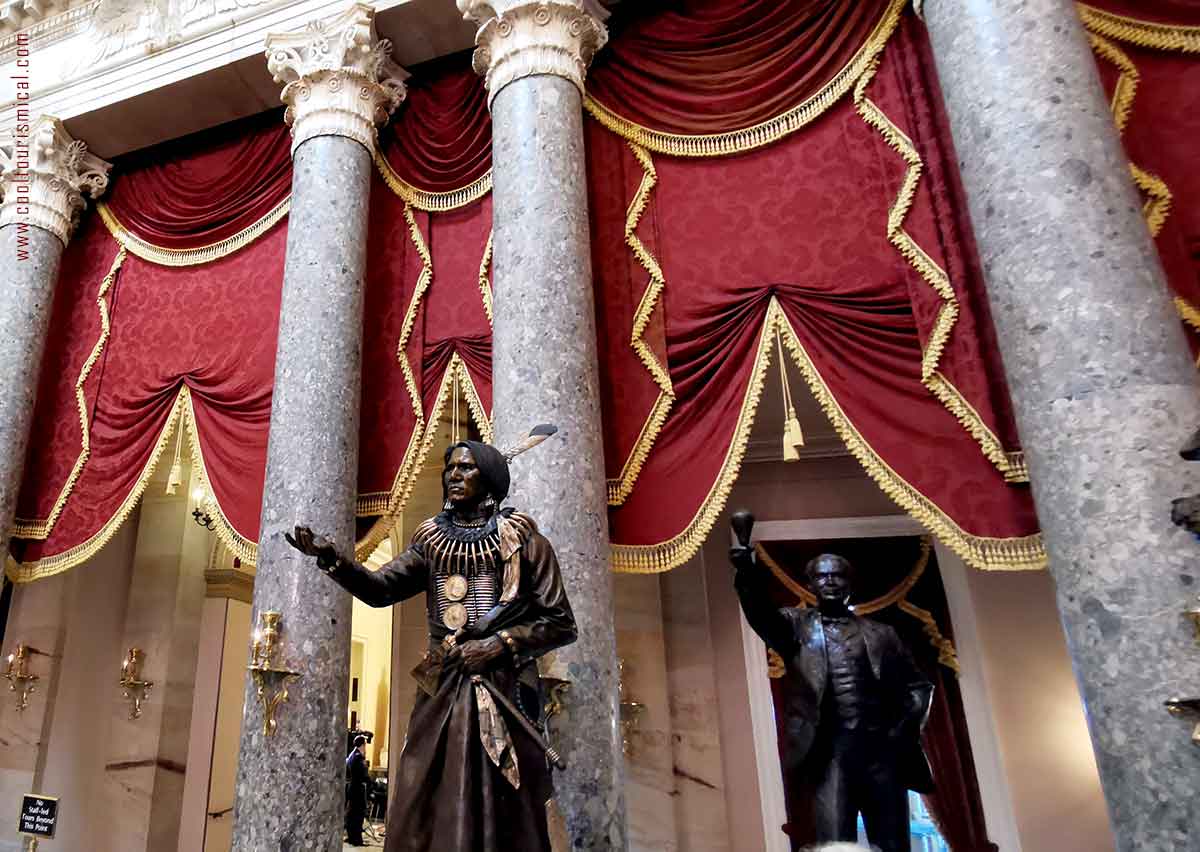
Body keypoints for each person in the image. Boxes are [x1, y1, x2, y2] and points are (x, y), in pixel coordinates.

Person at [287, 432, 577, 852]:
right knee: (425, 786)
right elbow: (379, 589)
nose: (453, 475)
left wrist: (497, 645)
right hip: (442, 685)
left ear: (490, 477)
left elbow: (560, 622)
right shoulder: (431, 542)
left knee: (506, 799)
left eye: (466, 467)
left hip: (506, 686)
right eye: (450, 468)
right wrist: (332, 559)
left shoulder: (525, 542)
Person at [730, 543, 933, 852]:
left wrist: (904, 729)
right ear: (810, 585)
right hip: (831, 757)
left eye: (838, 576)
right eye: (822, 577)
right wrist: (746, 572)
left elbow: (919, 686)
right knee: (835, 844)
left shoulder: (883, 634)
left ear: (850, 584)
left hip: (883, 755)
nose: (831, 582)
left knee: (894, 845)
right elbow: (761, 614)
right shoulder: (795, 627)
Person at [346, 734, 370, 846]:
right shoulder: (358, 757)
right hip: (358, 789)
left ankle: (351, 837)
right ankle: (357, 840)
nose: (366, 746)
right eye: (365, 744)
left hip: (352, 787)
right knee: (358, 815)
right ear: (362, 745)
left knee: (351, 814)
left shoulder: (351, 755)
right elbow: (363, 775)